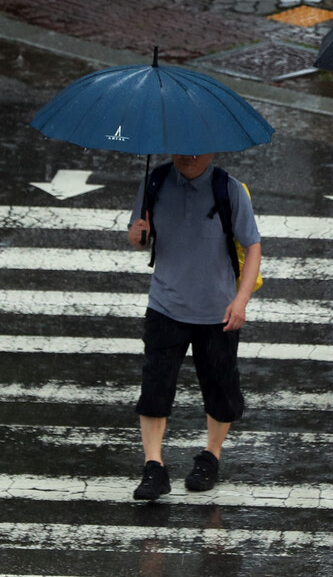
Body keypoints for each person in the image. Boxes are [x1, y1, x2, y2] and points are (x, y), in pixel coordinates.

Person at [126, 153, 261, 500]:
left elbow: (253, 246)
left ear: (212, 151)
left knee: (221, 390)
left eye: (196, 149)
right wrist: (138, 236)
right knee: (155, 388)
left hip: (218, 311)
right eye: (181, 147)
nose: (187, 156)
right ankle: (154, 466)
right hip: (165, 305)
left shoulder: (228, 190)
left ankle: (210, 456)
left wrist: (241, 300)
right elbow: (138, 237)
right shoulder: (154, 182)